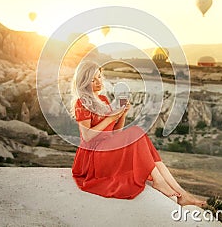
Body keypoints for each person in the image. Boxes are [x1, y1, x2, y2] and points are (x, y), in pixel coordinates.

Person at [71, 60, 206, 206]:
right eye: (92, 80)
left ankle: (182, 194)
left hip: (107, 149)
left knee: (143, 140)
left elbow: (115, 133)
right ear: (84, 82)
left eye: (99, 76)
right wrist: (111, 117)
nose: (98, 82)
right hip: (92, 156)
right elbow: (87, 136)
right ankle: (159, 181)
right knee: (136, 131)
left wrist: (121, 115)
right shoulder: (82, 103)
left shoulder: (103, 99)